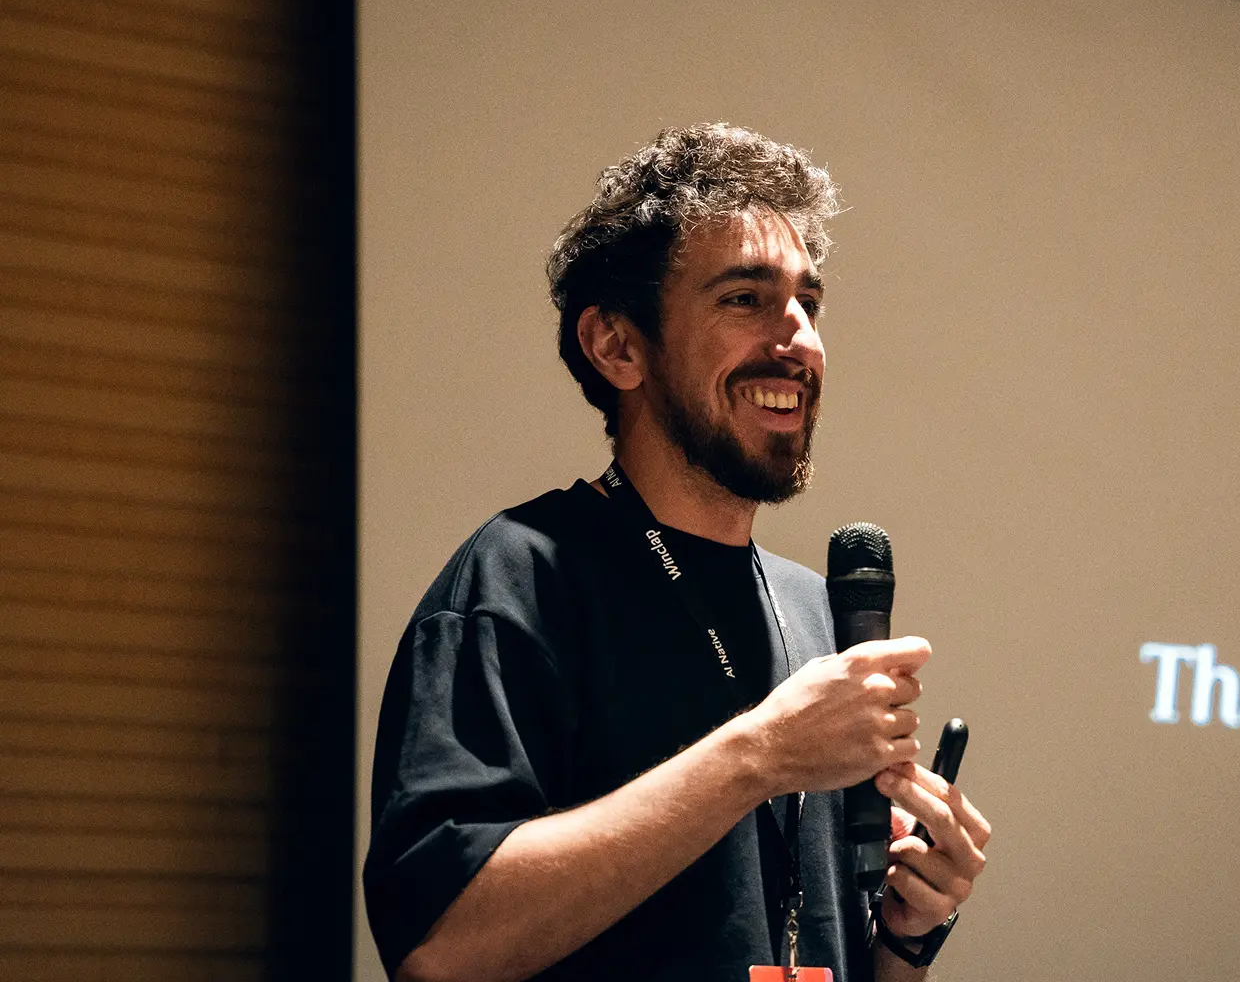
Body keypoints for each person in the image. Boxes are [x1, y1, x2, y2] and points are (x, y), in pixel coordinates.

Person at [364, 123, 991, 982]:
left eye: (809, 301)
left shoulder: (816, 611)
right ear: (618, 346)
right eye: (746, 299)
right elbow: (440, 947)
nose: (798, 338)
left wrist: (905, 937)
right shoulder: (520, 580)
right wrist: (758, 756)